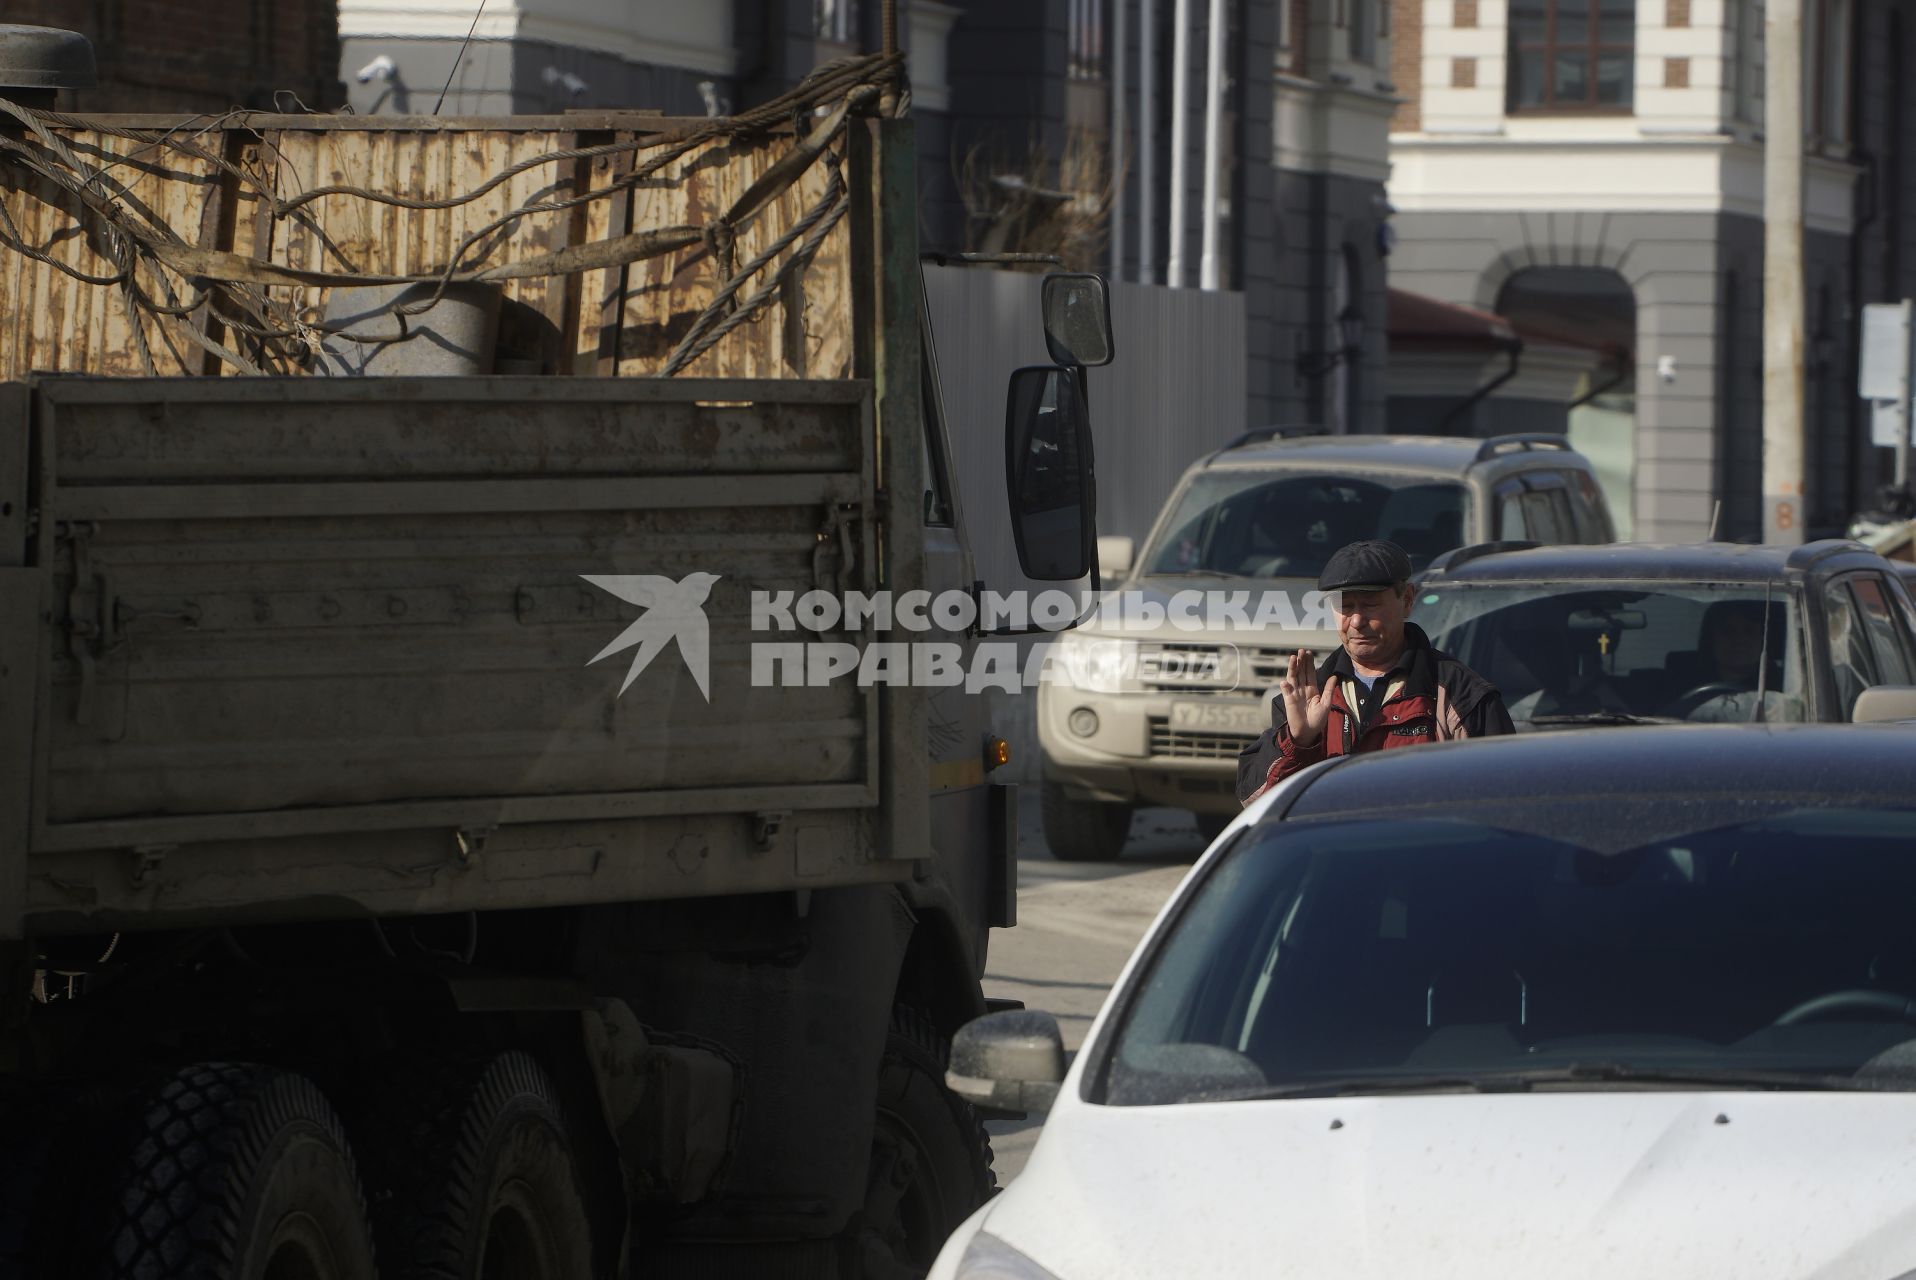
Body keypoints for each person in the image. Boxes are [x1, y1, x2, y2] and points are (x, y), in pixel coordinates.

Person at [1237, 539, 1515, 805]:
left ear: (1406, 599)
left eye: (1370, 604)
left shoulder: (1460, 694)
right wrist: (1299, 742)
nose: (1357, 621)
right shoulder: (1311, 696)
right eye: (1346, 606)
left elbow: (1505, 795)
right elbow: (1254, 800)